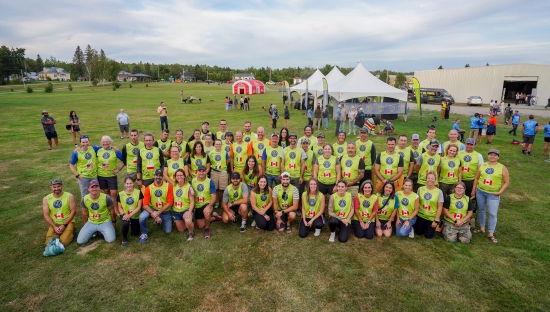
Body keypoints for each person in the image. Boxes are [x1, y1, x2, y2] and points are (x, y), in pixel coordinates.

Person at [472, 149, 509, 243]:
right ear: (488, 156)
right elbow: (476, 178)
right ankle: (481, 227)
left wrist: (500, 191)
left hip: (493, 194)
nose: (492, 156)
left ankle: (491, 232)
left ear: (498, 157)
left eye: (495, 155)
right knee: (481, 210)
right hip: (480, 191)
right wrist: (474, 190)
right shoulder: (482, 165)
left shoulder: (502, 167)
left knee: (492, 213)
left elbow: (506, 182)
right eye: (490, 155)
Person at [138, 169, 174, 243]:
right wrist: (155, 215)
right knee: (142, 217)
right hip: (152, 209)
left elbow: (170, 202)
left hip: (164, 210)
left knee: (168, 231)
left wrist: (159, 212)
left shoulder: (168, 186)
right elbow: (145, 205)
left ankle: (161, 220)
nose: (158, 177)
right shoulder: (148, 188)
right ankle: (144, 233)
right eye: (156, 175)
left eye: (160, 175)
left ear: (163, 177)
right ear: (153, 176)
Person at [76, 180, 117, 244]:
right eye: (92, 187)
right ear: (88, 189)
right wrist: (85, 224)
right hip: (91, 222)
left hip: (105, 221)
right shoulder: (84, 199)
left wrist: (114, 222)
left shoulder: (106, 198)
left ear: (99, 188)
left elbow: (112, 210)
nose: (94, 189)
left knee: (111, 240)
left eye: (96, 186)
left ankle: (100, 231)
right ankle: (95, 231)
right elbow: (84, 213)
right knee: (80, 241)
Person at [96, 135, 124, 223]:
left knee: (114, 193)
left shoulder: (114, 150)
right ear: (101, 143)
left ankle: (116, 209)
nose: (105, 143)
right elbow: (87, 147)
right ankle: (110, 208)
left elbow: (125, 160)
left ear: (110, 142)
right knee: (106, 192)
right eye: (103, 142)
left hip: (111, 175)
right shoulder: (98, 150)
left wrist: (118, 169)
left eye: (107, 141)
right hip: (101, 175)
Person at [69, 134, 100, 211]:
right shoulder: (76, 152)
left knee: (95, 192)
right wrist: (78, 175)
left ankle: (95, 207)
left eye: (86, 142)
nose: (85, 144)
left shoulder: (93, 148)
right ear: (80, 143)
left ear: (89, 142)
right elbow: (71, 165)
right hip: (83, 177)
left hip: (93, 176)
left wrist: (113, 148)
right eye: (83, 142)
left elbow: (105, 147)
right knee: (85, 195)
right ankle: (85, 210)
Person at [43, 179, 76, 247]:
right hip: (55, 223)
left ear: (62, 186)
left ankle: (70, 230)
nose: (56, 188)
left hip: (68, 222)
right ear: (51, 187)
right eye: (54, 187)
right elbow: (46, 214)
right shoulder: (46, 198)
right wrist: (54, 227)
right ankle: (60, 233)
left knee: (64, 242)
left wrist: (64, 225)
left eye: (58, 186)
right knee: (48, 243)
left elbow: (73, 211)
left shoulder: (69, 196)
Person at [413, 171, 444, 239]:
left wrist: (436, 220)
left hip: (432, 217)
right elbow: (416, 203)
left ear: (435, 180)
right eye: (428, 178)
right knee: (418, 232)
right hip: (421, 215)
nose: (430, 180)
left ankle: (430, 226)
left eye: (432, 178)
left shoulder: (439, 192)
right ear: (426, 179)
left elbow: (440, 207)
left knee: (429, 236)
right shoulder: (420, 189)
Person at [190, 165, 217, 238]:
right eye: (200, 171)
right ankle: (214, 217)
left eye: (203, 171)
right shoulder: (192, 181)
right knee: (200, 225)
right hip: (198, 205)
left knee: (206, 212)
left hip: (207, 203)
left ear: (206, 172)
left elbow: (214, 197)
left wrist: (209, 206)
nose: (201, 173)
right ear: (197, 172)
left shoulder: (210, 181)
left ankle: (207, 229)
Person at [313, 144, 341, 210]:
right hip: (321, 182)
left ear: (331, 150)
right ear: (323, 150)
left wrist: (337, 185)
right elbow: (315, 172)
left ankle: (331, 214)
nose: (327, 150)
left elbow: (339, 173)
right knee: (323, 200)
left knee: (332, 200)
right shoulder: (319, 159)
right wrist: (315, 183)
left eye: (329, 149)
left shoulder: (335, 159)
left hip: (332, 183)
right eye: (325, 149)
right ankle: (322, 214)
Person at [117, 177, 143, 246]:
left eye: (130, 183)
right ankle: (124, 238)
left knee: (135, 233)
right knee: (125, 223)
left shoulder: (138, 192)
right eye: (127, 183)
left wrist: (130, 215)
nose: (129, 185)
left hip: (135, 215)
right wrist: (124, 214)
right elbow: (119, 207)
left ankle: (132, 224)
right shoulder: (120, 194)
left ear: (133, 183)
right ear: (125, 184)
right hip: (125, 214)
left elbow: (139, 207)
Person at [171, 169, 195, 240]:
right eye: (177, 175)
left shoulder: (189, 186)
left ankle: (191, 232)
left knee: (188, 221)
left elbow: (192, 201)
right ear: (175, 177)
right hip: (176, 211)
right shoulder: (173, 186)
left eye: (181, 175)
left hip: (186, 209)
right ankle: (188, 223)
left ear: (184, 176)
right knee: (181, 230)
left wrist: (189, 212)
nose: (179, 177)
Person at [209, 139, 230, 208]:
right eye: (216, 144)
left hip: (223, 172)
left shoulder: (225, 152)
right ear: (214, 145)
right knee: (216, 188)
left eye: (219, 144)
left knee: (223, 189)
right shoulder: (211, 153)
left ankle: (222, 202)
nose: (218, 145)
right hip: (214, 172)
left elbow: (227, 161)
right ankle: (217, 202)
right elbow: (210, 162)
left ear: (221, 145)